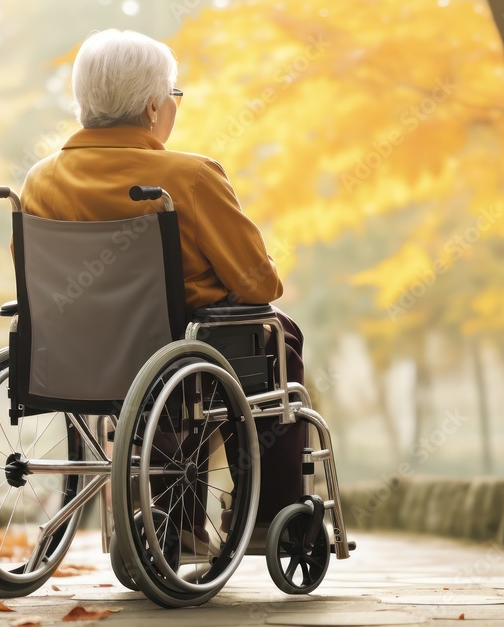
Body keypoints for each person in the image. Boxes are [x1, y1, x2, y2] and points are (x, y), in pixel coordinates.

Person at [20, 29, 306, 548]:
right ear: (154, 108)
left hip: (70, 358)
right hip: (176, 357)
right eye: (173, 96)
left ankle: (177, 525)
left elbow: (36, 280)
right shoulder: (189, 177)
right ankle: (269, 517)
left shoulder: (40, 182)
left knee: (186, 358)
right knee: (273, 337)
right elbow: (260, 282)